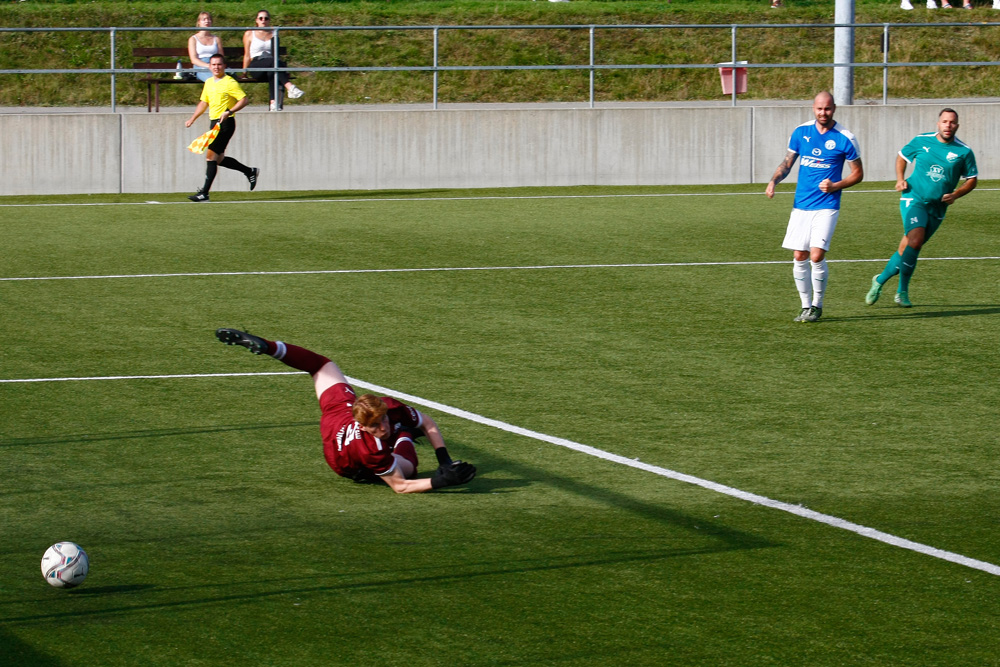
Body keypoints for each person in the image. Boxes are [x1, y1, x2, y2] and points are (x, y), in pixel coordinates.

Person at [215, 328, 477, 494]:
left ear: (385, 409)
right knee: (408, 467)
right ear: (362, 426)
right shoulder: (369, 448)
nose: (382, 427)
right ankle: (403, 437)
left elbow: (427, 422)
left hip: (336, 414)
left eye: (384, 420)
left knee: (321, 365)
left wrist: (444, 459)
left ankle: (268, 346)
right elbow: (400, 487)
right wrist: (441, 481)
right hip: (343, 460)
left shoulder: (386, 407)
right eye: (375, 426)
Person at [766, 91, 864, 323]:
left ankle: (818, 305)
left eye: (828, 109)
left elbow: (858, 174)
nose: (823, 113)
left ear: (834, 108)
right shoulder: (801, 132)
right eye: (819, 109)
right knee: (799, 255)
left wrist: (835, 185)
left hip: (827, 204)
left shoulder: (845, 137)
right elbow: (787, 163)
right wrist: (773, 181)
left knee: (816, 255)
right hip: (802, 204)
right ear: (813, 108)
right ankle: (805, 306)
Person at [865, 108, 977, 308]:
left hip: (938, 208)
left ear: (957, 126)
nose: (948, 126)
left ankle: (879, 280)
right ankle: (902, 292)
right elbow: (902, 157)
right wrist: (900, 179)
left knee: (906, 248)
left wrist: (956, 194)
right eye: (944, 121)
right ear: (938, 124)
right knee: (915, 241)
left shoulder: (964, 151)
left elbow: (972, 180)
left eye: (952, 122)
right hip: (913, 198)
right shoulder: (922, 140)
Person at [184, 54, 259, 202]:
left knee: (210, 157)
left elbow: (244, 100)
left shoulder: (230, 82)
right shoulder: (209, 82)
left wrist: (230, 111)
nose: (216, 67)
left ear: (224, 66)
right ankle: (249, 171)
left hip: (226, 123)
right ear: (209, 66)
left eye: (219, 64)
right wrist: (193, 118)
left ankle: (204, 193)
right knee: (218, 159)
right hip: (214, 123)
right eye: (213, 64)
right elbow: (203, 103)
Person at [242, 9, 304, 111]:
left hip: (270, 64)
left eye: (266, 18)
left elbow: (276, 53)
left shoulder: (274, 33)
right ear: (256, 20)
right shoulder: (249, 33)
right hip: (256, 64)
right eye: (261, 18)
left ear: (269, 20)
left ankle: (273, 103)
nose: (263, 20)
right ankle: (290, 87)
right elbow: (247, 55)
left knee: (273, 68)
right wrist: (244, 72)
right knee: (274, 64)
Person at [187, 11, 224, 82]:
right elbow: (194, 59)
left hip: (215, 64)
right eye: (204, 19)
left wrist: (214, 65)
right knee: (212, 80)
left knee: (225, 81)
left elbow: (221, 56)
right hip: (201, 65)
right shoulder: (193, 39)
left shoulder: (216, 39)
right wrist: (208, 66)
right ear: (199, 22)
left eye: (209, 19)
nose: (207, 21)